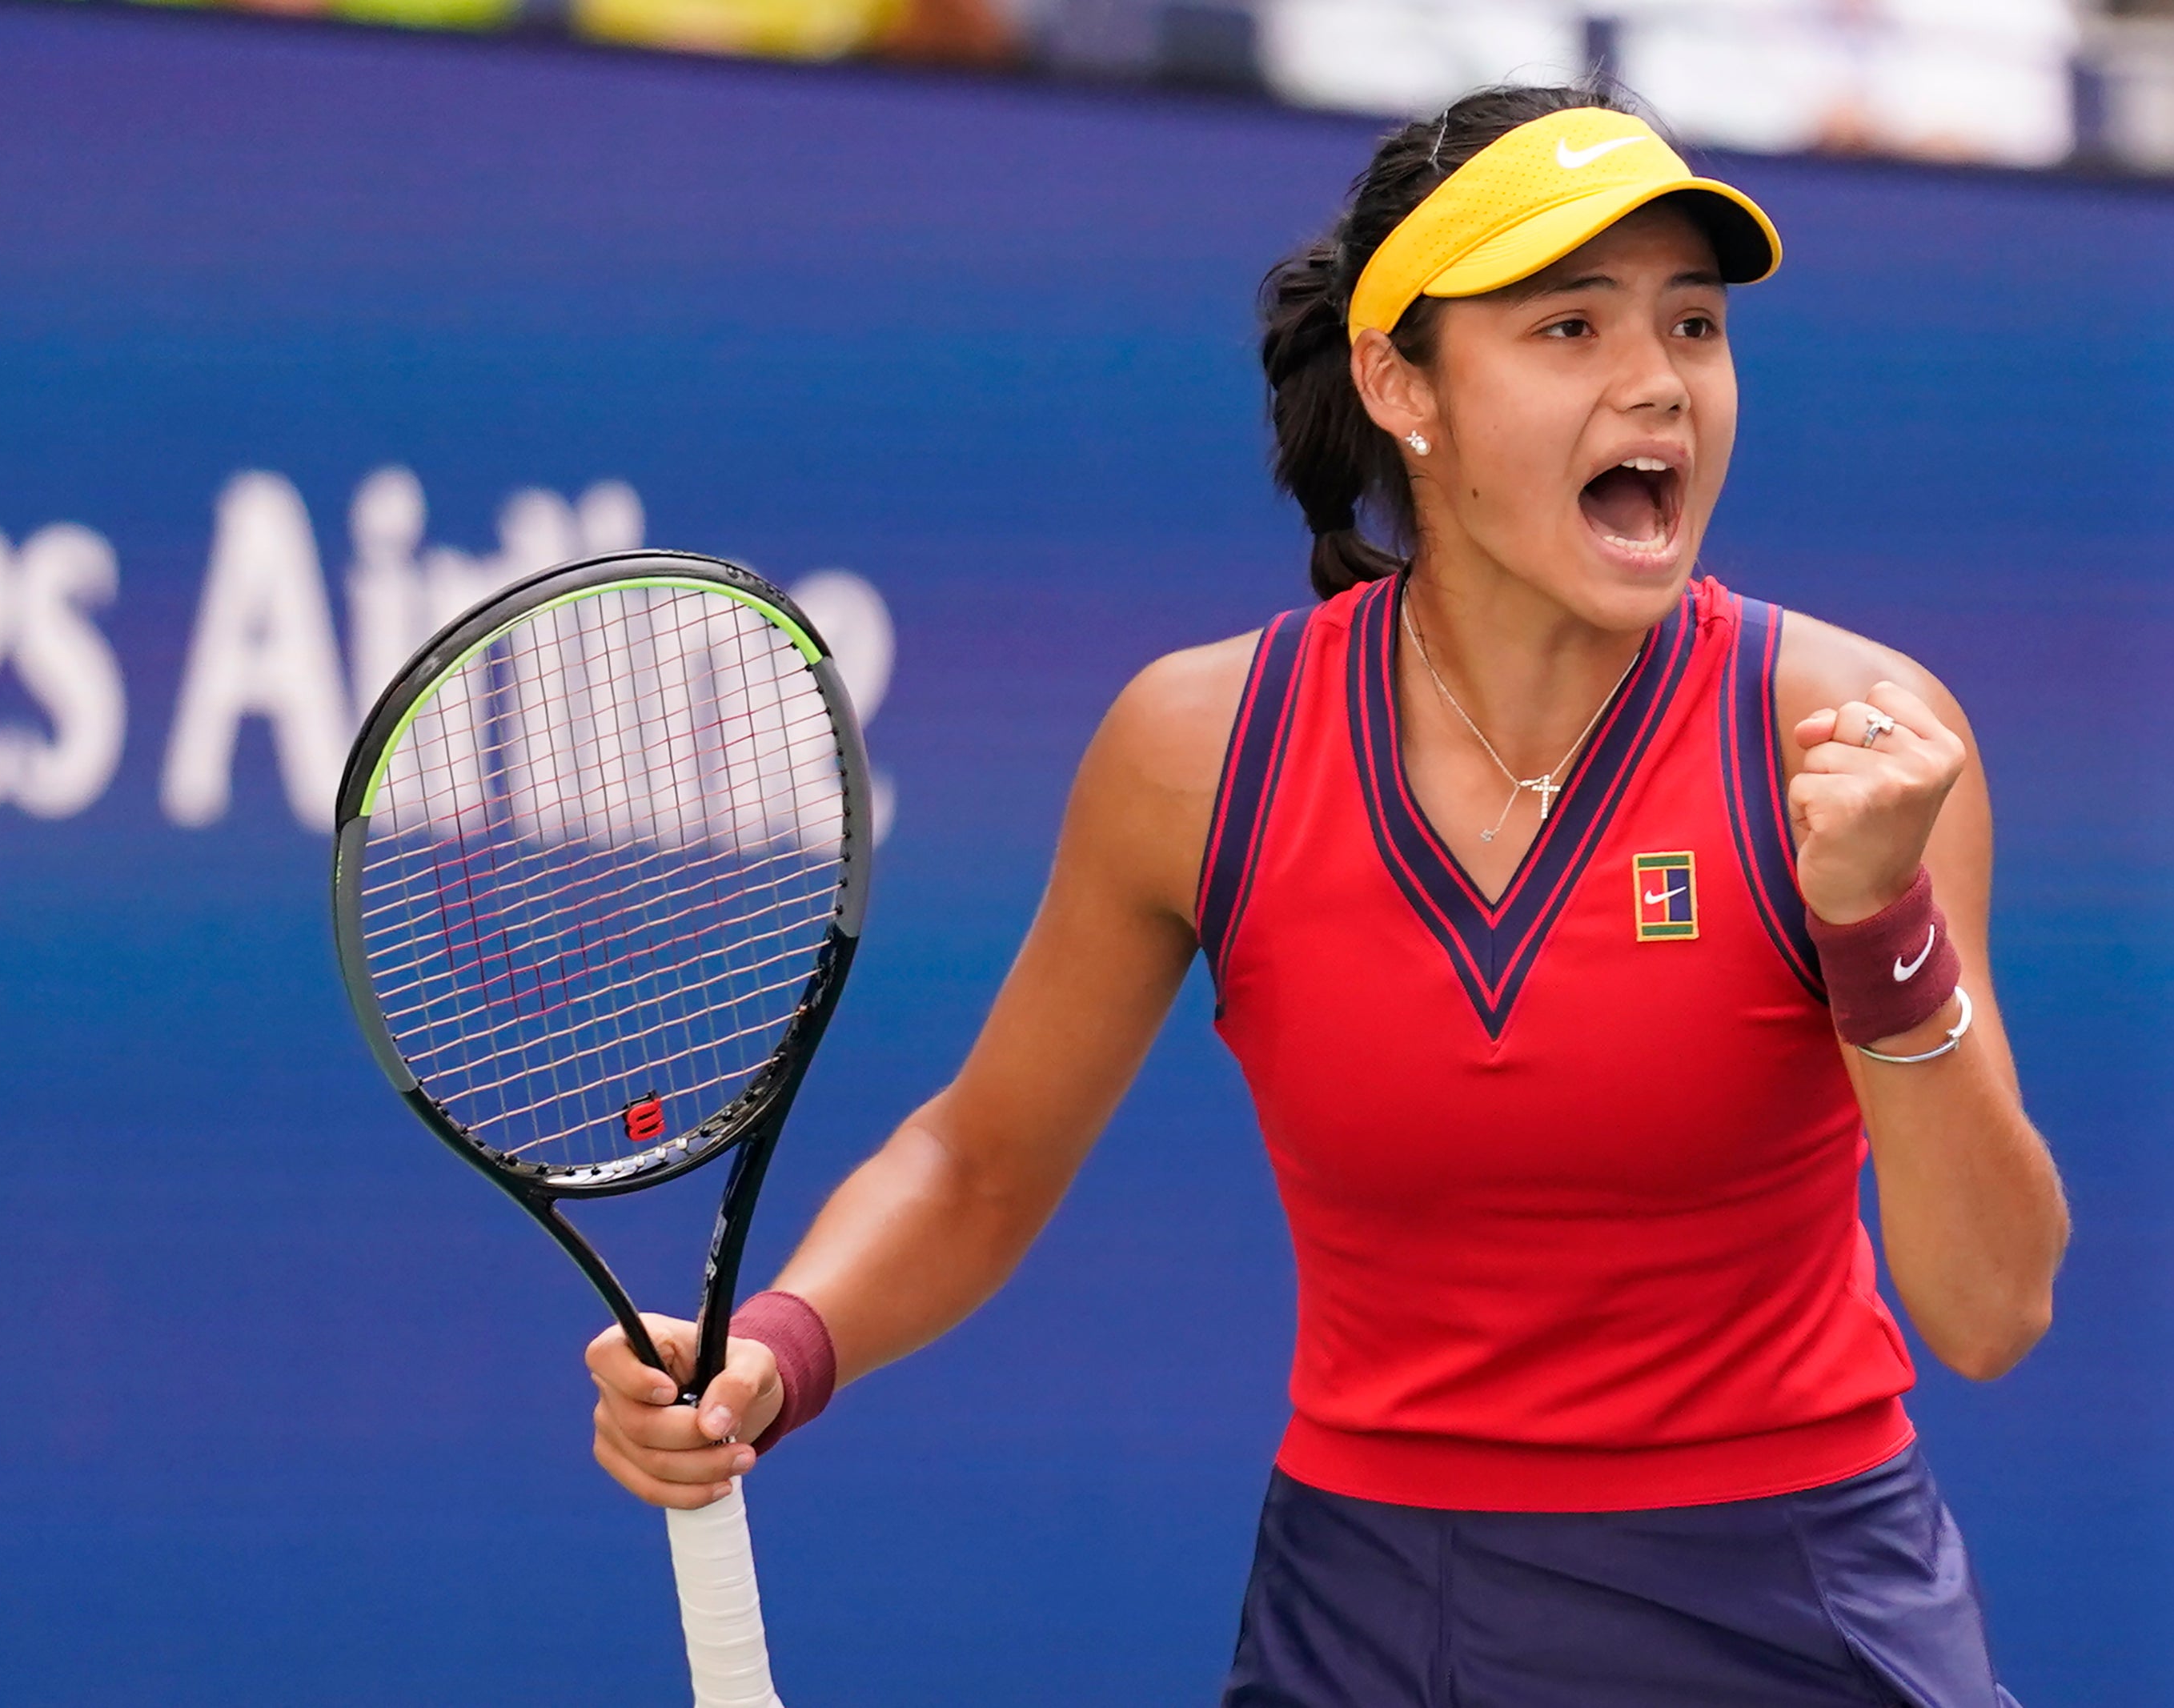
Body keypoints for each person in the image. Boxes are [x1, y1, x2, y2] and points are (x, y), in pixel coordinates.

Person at [587, 79, 2068, 1707]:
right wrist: (774, 1355)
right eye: (1568, 329)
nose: (1657, 382)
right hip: (1372, 1622)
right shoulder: (1198, 746)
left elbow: (1991, 1307)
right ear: (1398, 383)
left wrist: (1879, 930)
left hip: (1790, 1609)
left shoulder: (1847, 737)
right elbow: (979, 1158)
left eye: (1694, 327)